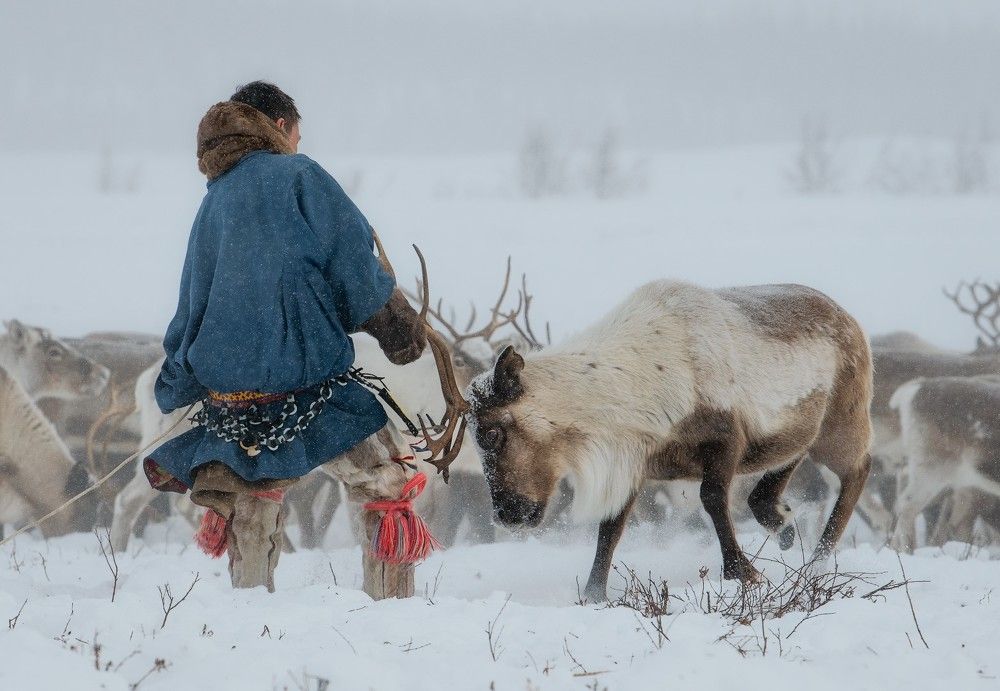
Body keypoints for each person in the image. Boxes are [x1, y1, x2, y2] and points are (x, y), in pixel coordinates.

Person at [143, 81, 426, 591]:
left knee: (254, 493)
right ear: (279, 127)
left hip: (231, 406)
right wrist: (397, 328)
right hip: (311, 391)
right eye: (297, 132)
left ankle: (250, 623)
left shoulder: (214, 201)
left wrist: (176, 385)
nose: (299, 143)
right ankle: (393, 618)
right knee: (386, 481)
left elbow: (191, 305)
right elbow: (355, 268)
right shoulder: (301, 176)